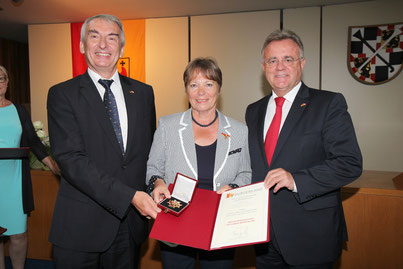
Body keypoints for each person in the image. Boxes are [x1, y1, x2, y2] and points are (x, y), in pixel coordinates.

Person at [47, 14, 160, 269]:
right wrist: (130, 196)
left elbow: (149, 152)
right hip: (80, 226)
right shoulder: (62, 94)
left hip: (130, 225)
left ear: (121, 47)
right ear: (82, 45)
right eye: (94, 36)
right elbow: (71, 161)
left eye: (112, 38)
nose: (103, 45)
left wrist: (157, 181)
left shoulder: (143, 93)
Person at [245, 30, 363, 268]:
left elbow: (349, 163)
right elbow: (255, 165)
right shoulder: (253, 110)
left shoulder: (328, 103)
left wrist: (295, 179)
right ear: (263, 66)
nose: (280, 67)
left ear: (302, 63)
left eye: (288, 59)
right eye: (272, 60)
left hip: (311, 235)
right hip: (263, 237)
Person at [146, 57, 251, 269]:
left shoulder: (239, 131)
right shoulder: (167, 126)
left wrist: (233, 188)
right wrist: (157, 184)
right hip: (175, 222)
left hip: (219, 225)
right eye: (194, 85)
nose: (201, 92)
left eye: (208, 84)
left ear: (219, 89)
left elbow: (246, 172)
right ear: (186, 90)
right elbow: (153, 168)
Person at [0, 65, 60, 269]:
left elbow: (33, 142)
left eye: (1, 78)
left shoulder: (18, 111)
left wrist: (53, 166)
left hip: (15, 181)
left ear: (7, 83)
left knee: (18, 233)